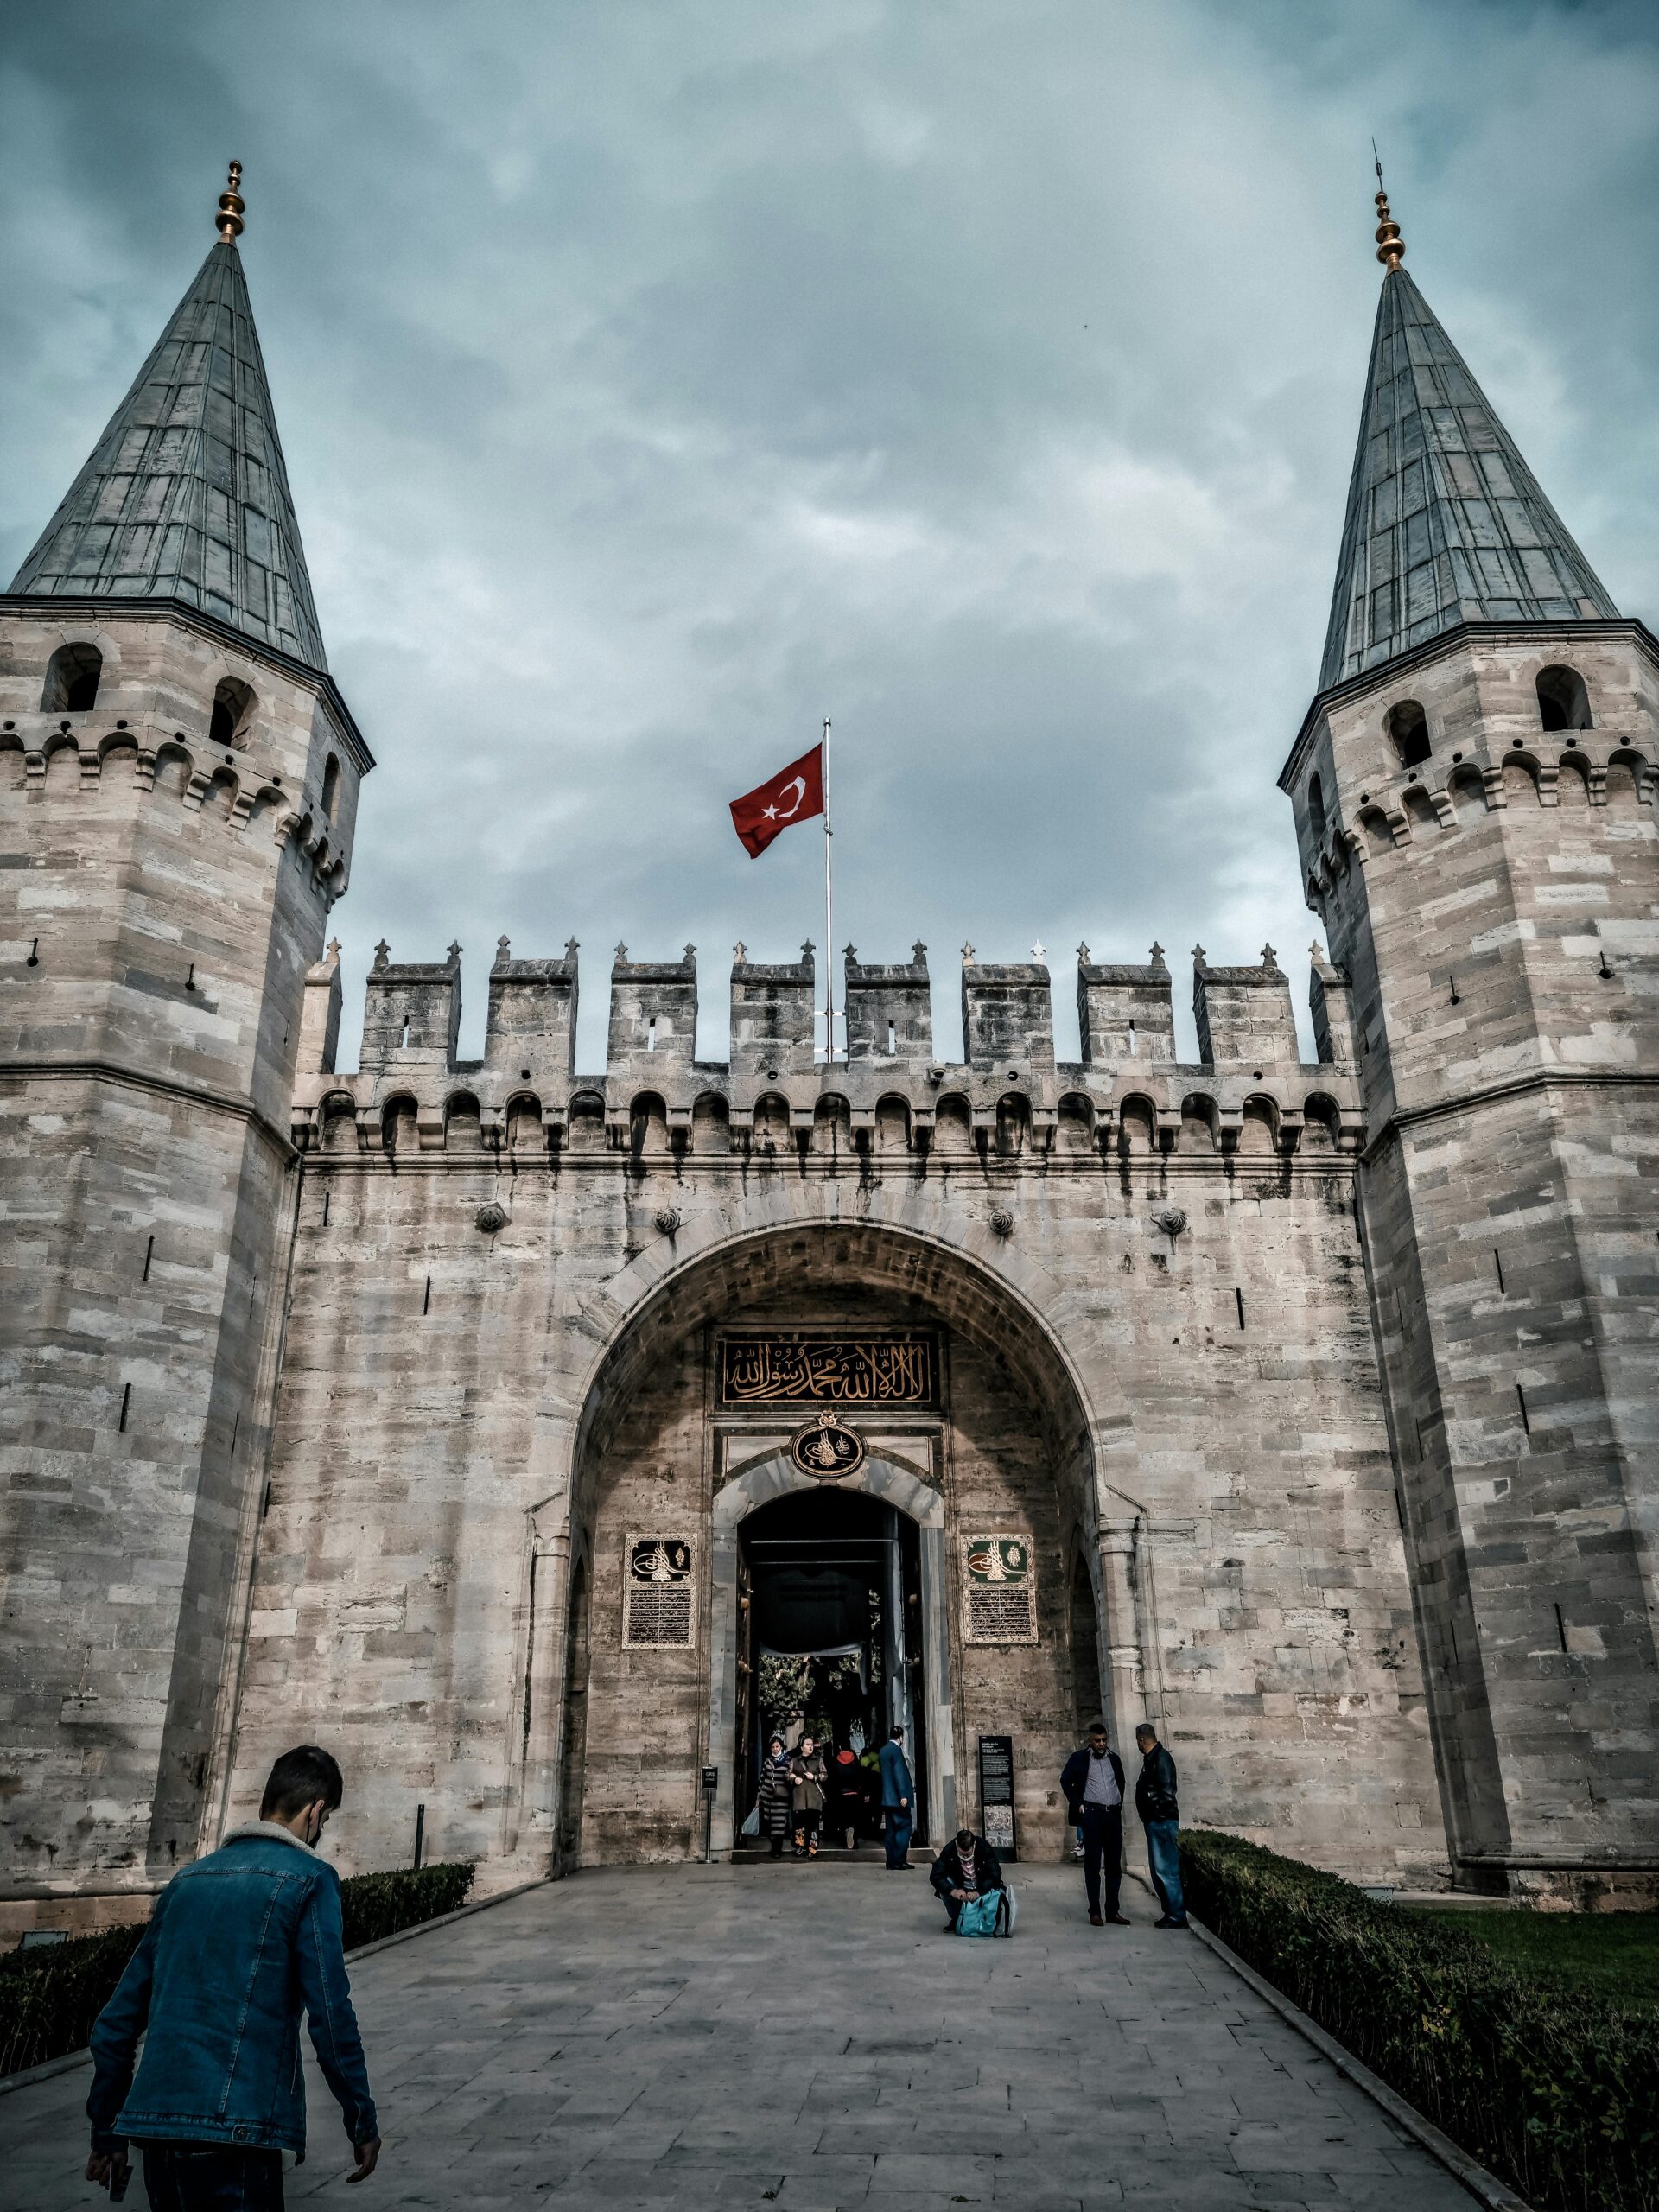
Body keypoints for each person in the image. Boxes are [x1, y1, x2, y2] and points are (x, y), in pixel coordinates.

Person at [86, 1744, 380, 2209]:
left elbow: (115, 2024)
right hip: (237, 2127)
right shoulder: (309, 1878)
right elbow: (330, 2012)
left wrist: (107, 2133)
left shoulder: (186, 1881)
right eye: (327, 1819)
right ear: (317, 1811)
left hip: (156, 2129)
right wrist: (361, 2119)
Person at [1060, 1721, 1129, 1928]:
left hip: (1112, 1815)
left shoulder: (1114, 1759)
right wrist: (1078, 1803)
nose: (1101, 1744)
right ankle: (1095, 1911)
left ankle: (1113, 1910)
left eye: (1104, 1740)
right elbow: (1065, 1780)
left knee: (1113, 1864)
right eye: (1097, 1741)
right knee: (1092, 1865)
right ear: (1090, 1741)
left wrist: (1117, 1802)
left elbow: (1121, 1782)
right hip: (1092, 1814)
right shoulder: (1079, 1759)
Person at [1135, 1721, 1189, 1929]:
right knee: (1159, 1870)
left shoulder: (1161, 1759)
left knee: (1167, 1870)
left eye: (1138, 1741)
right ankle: (1170, 1912)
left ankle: (1176, 1915)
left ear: (1141, 1740)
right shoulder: (1151, 1759)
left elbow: (1167, 1793)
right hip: (1156, 1821)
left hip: (1162, 1822)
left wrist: (1154, 1813)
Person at [928, 1826, 1005, 1930]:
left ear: (974, 1845)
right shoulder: (949, 1850)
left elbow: (995, 1873)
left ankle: (987, 1918)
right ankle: (957, 1918)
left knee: (997, 1890)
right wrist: (952, 1891)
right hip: (961, 1885)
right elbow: (936, 1875)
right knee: (944, 1887)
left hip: (981, 1885)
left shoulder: (983, 1847)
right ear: (957, 1845)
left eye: (968, 1853)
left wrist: (979, 1892)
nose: (965, 1856)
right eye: (962, 1853)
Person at [876, 1724, 914, 1870]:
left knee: (890, 1830)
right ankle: (899, 1860)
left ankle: (890, 1860)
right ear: (901, 1737)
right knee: (904, 1827)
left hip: (887, 1798)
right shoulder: (896, 1751)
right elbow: (899, 1774)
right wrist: (903, 1795)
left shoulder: (883, 1751)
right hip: (898, 1799)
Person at [789, 1734, 827, 1857]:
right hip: (799, 1797)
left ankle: (812, 1848)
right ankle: (799, 1846)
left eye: (811, 1745)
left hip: (813, 1797)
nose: (810, 1747)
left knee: (813, 1825)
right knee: (799, 1824)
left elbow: (825, 1775)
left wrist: (815, 1777)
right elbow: (787, 1774)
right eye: (807, 1745)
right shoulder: (794, 1761)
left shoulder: (818, 1759)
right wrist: (793, 1779)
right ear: (801, 1747)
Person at [758, 1734, 792, 1859]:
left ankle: (777, 1849)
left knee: (779, 1825)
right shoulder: (767, 1761)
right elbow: (762, 1779)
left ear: (782, 1747)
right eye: (773, 1747)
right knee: (768, 1824)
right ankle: (774, 1845)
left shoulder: (788, 1761)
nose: (775, 1749)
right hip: (767, 1798)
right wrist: (758, 1797)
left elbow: (790, 1779)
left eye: (777, 1746)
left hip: (781, 1798)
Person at [830, 1744, 864, 1848]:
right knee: (855, 1819)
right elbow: (861, 1776)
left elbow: (833, 1779)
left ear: (840, 1747)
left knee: (842, 1818)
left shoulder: (836, 1760)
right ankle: (854, 1839)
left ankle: (845, 1839)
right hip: (854, 1793)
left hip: (841, 1794)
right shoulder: (855, 1760)